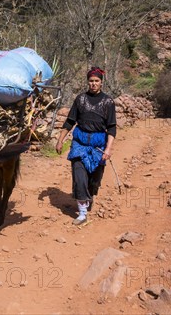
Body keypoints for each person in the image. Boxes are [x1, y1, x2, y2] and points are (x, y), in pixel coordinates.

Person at [56, 67, 117, 226]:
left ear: (101, 83)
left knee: (94, 180)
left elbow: (111, 128)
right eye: (91, 81)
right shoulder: (80, 99)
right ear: (87, 82)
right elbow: (70, 121)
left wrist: (108, 149)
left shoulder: (108, 102)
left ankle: (89, 195)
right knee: (79, 176)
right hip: (80, 144)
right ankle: (82, 213)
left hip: (98, 146)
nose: (93, 84)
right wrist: (60, 140)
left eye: (96, 81)